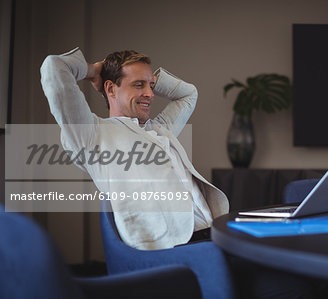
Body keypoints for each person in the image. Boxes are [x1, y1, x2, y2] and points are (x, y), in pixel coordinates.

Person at [40, 47, 228, 250]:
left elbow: (189, 94)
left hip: (213, 232)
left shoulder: (160, 128)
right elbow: (54, 67)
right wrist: (94, 71)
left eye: (152, 87)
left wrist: (149, 78)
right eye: (138, 85)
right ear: (111, 89)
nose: (150, 94)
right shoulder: (91, 134)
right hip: (170, 246)